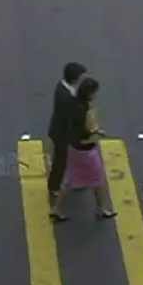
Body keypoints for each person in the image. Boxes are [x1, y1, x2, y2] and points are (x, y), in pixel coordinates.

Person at [50, 77, 117, 222]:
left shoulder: (73, 103)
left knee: (70, 180)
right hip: (86, 150)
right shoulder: (84, 110)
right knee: (98, 179)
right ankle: (101, 209)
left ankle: (57, 208)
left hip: (74, 148)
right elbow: (84, 131)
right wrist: (96, 131)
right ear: (90, 93)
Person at [47, 61, 86, 200]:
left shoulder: (66, 88)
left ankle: (72, 180)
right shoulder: (64, 96)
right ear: (74, 79)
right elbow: (69, 117)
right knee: (60, 160)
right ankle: (54, 186)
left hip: (64, 132)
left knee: (69, 159)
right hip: (62, 134)